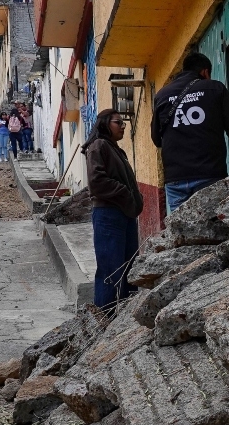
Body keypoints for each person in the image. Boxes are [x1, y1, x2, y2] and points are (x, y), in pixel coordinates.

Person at [151, 52, 229, 212]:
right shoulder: (214, 88)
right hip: (209, 174)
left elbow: (157, 139)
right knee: (214, 229)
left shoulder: (162, 95)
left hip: (175, 179)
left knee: (181, 232)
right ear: (205, 72)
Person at [84, 109, 143, 312]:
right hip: (108, 216)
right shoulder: (98, 146)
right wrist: (125, 193)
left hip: (124, 215)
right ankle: (104, 318)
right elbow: (97, 182)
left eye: (124, 123)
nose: (123, 127)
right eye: (119, 123)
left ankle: (127, 318)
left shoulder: (115, 149)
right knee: (110, 271)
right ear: (105, 124)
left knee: (129, 268)